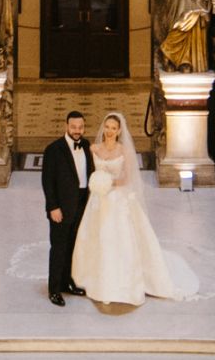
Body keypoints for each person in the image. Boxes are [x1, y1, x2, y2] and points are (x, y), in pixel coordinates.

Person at [69, 112, 200, 308]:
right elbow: (87, 172)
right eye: (107, 127)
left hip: (117, 198)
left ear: (119, 131)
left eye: (114, 128)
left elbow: (127, 178)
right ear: (103, 128)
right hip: (97, 199)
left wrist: (108, 182)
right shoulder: (93, 148)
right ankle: (89, 277)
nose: (110, 131)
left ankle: (123, 283)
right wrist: (96, 184)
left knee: (119, 238)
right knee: (96, 236)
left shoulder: (124, 151)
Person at [41, 109, 91, 307]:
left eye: (80, 127)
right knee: (59, 247)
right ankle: (54, 289)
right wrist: (53, 207)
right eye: (73, 127)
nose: (77, 130)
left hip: (81, 202)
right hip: (61, 206)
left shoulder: (86, 145)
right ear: (66, 126)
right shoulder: (53, 149)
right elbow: (47, 181)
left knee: (72, 246)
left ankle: (67, 282)